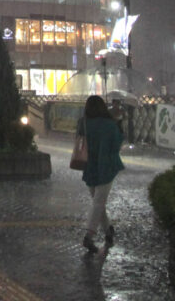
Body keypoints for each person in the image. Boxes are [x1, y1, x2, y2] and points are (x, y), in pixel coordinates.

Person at [78, 94, 125, 253]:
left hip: (89, 166)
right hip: (106, 166)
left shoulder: (83, 123)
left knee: (98, 201)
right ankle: (89, 236)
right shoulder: (110, 125)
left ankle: (108, 231)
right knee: (99, 202)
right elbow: (116, 145)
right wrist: (118, 123)